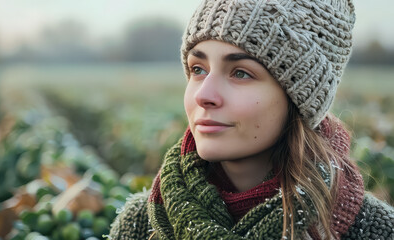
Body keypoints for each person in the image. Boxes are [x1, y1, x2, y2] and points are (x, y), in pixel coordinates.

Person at [107, 0, 394, 239]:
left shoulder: (376, 232)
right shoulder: (140, 225)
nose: (204, 95)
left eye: (241, 73)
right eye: (198, 69)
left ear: (300, 99)